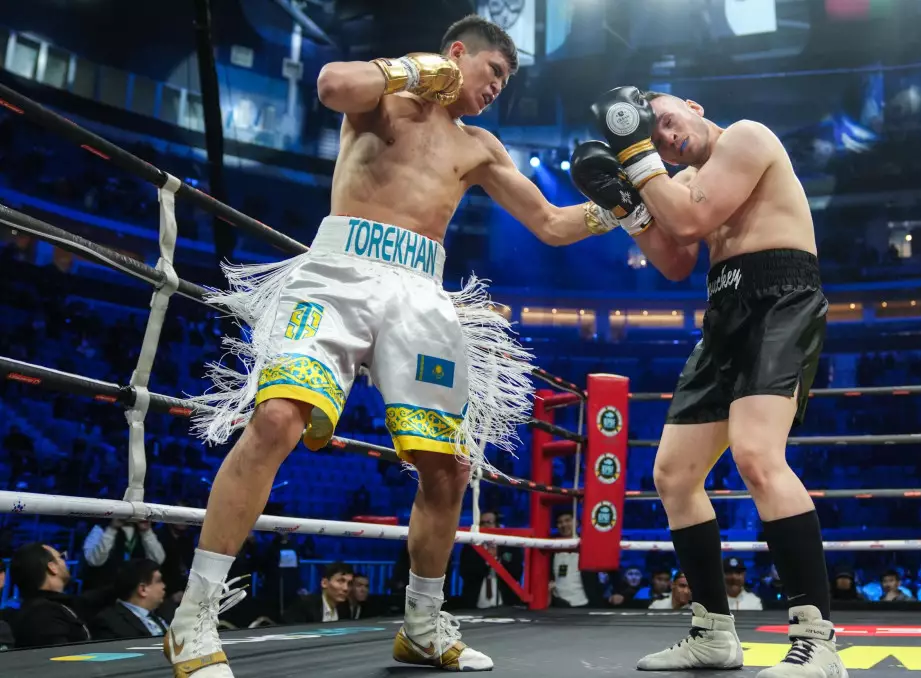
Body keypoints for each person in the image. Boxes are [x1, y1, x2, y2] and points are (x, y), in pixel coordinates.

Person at [170, 14, 643, 676]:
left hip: (421, 292)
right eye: (493, 72)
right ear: (458, 53)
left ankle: (421, 625)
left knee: (447, 467)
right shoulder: (386, 96)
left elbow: (550, 223)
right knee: (276, 419)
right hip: (338, 271)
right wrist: (416, 69)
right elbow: (331, 85)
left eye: (505, 82)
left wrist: (618, 207)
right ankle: (193, 616)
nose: (496, 89)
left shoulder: (479, 147)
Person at [572, 86, 839, 677]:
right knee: (673, 474)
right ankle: (714, 632)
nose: (667, 139)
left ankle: (817, 641)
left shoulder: (746, 136)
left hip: (781, 298)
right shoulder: (683, 182)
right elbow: (675, 262)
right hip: (725, 311)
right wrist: (623, 204)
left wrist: (635, 156)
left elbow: (690, 220)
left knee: (757, 455)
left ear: (692, 106)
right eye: (655, 138)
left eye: (667, 122)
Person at [10, 543, 106, 648]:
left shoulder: (51, 606)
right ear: (52, 567)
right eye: (61, 557)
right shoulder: (44, 615)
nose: (65, 562)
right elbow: (62, 656)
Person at [91, 559, 170, 640]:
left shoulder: (165, 612)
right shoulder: (109, 622)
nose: (164, 586)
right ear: (143, 589)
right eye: (159, 581)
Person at [282, 562, 353, 624]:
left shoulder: (344, 608)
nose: (346, 588)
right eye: (340, 581)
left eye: (349, 583)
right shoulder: (304, 606)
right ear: (324, 583)